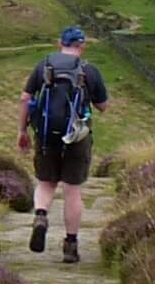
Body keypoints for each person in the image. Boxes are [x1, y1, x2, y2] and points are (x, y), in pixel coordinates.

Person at [19, 25, 108, 262]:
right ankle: (70, 245)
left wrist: (23, 131)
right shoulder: (89, 70)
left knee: (46, 182)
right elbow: (103, 106)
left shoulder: (45, 65)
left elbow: (25, 98)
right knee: (72, 189)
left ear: (60, 43)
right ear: (82, 45)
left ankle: (40, 215)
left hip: (47, 135)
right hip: (77, 135)